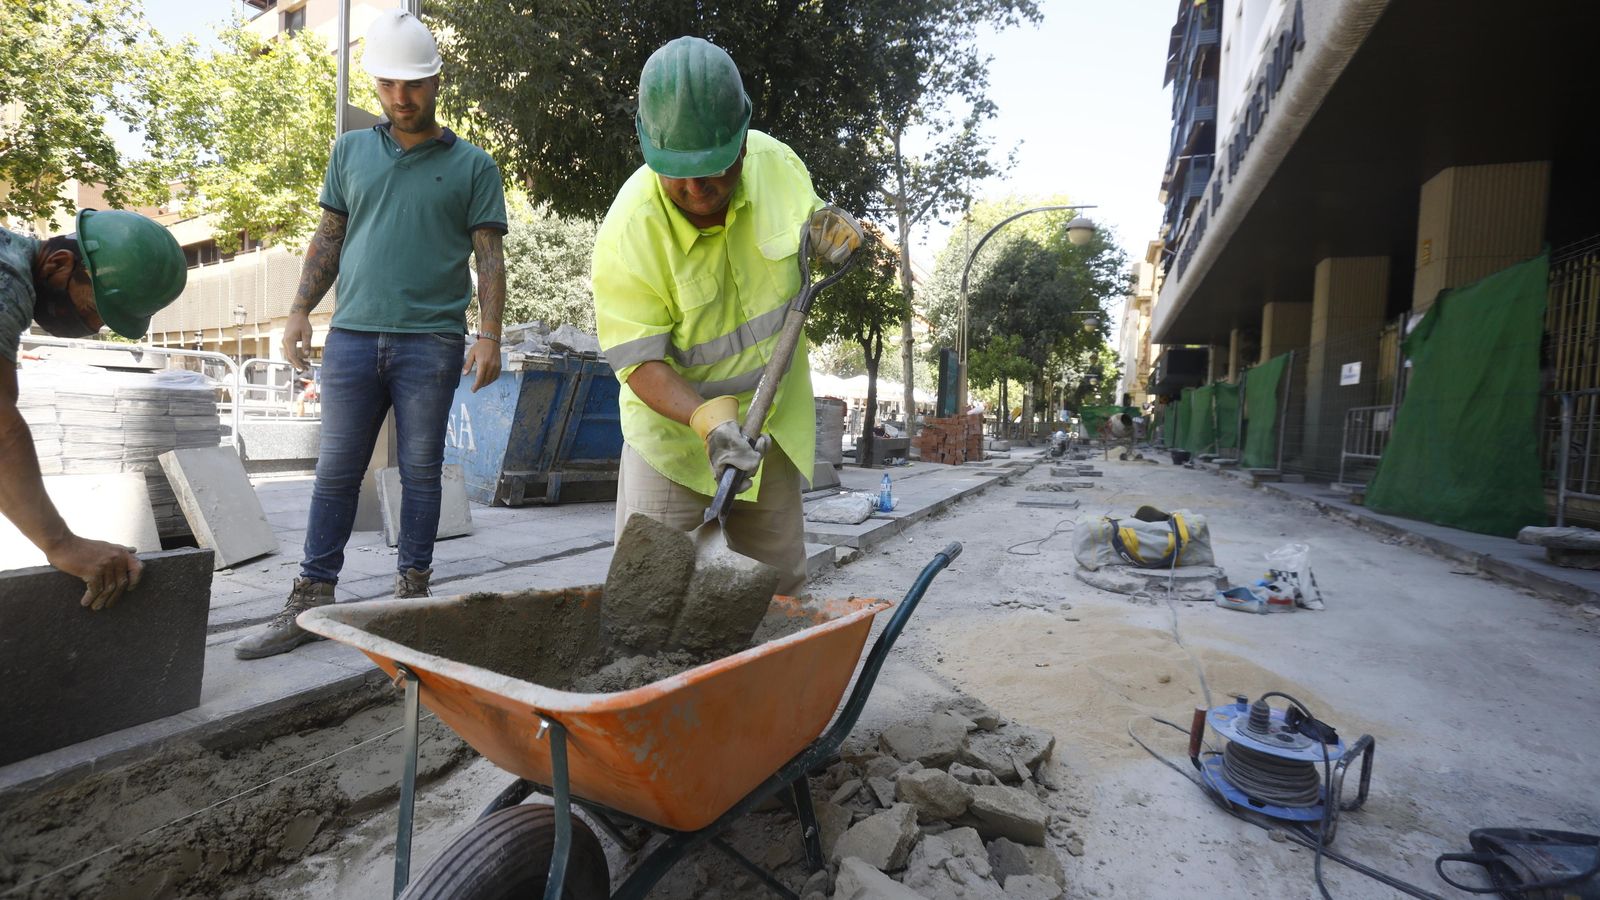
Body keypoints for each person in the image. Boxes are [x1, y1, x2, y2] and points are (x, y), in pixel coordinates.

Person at [235, 10, 508, 660]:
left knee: (419, 472)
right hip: (352, 338)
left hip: (432, 343)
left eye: (412, 85)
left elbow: (489, 257)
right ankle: (310, 597)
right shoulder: (350, 153)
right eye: (388, 84)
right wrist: (299, 310)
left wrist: (490, 334)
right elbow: (328, 237)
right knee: (335, 472)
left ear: (436, 82)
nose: (400, 97)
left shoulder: (473, 166)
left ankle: (411, 597)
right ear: (377, 83)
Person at [593, 37, 861, 595]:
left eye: (711, 169)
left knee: (778, 594)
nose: (694, 189)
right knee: (647, 598)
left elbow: (812, 230)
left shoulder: (779, 166)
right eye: (675, 172)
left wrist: (830, 230)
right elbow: (640, 363)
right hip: (673, 445)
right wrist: (710, 425)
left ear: (741, 142)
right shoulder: (627, 233)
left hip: (770, 432)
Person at [0, 209, 187, 609]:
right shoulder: (6, 278)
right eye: (93, 309)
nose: (93, 324)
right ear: (59, 263)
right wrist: (62, 544)